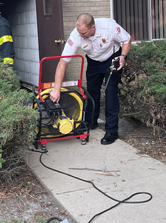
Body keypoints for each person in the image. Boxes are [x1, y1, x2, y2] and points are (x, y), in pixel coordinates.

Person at [49, 14, 131, 145]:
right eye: (79, 32)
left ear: (93, 27)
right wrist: (56, 89)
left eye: (84, 32)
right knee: (92, 93)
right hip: (93, 61)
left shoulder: (109, 27)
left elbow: (127, 40)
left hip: (112, 58)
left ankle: (112, 131)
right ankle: (90, 122)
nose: (81, 35)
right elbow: (62, 63)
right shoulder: (76, 36)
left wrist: (123, 56)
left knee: (110, 93)